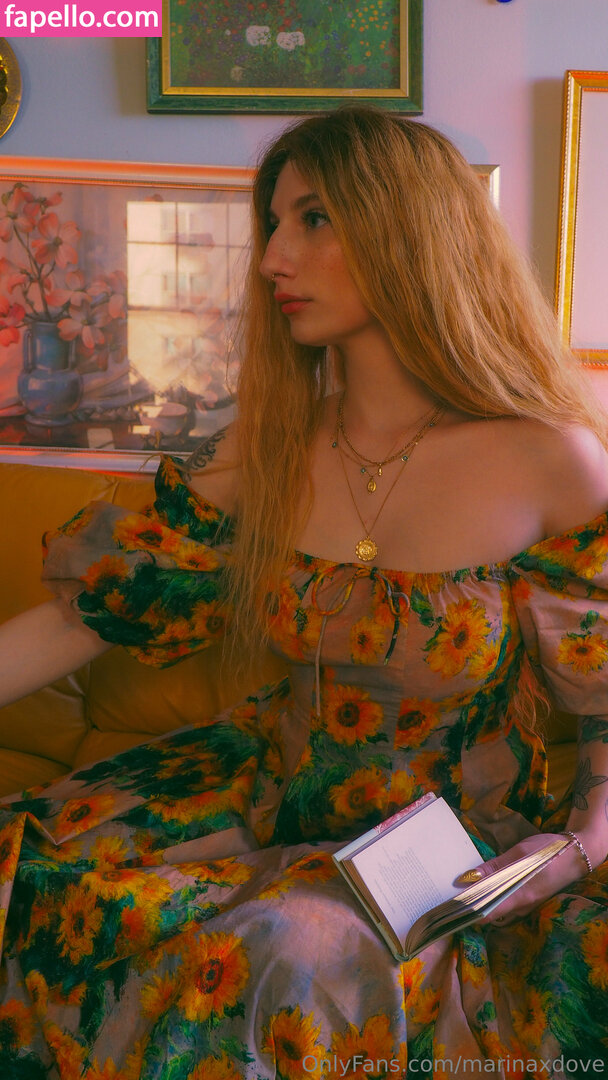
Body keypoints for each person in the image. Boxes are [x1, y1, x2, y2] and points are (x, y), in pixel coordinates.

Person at [0, 105, 607, 1079]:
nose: (274, 257)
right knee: (26, 874)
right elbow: (90, 615)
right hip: (264, 794)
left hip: (448, 846)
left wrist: (577, 848)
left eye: (314, 218)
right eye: (273, 223)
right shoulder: (267, 442)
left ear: (411, 232)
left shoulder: (551, 460)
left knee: (277, 956)